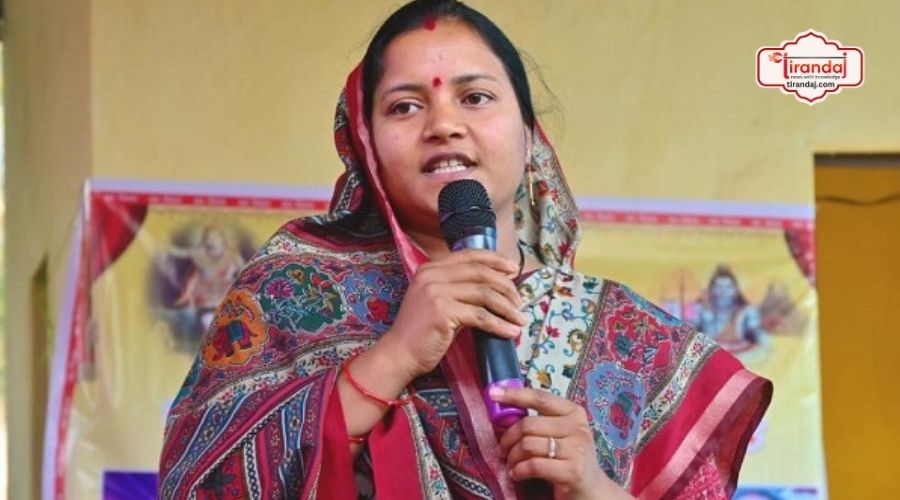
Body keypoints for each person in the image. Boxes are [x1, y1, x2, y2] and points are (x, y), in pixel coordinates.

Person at [159, 1, 772, 498]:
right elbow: (198, 485)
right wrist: (392, 358)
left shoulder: (630, 338)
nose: (443, 125)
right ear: (367, 145)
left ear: (530, 136)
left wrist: (592, 487)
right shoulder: (293, 292)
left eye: (475, 97)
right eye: (405, 106)